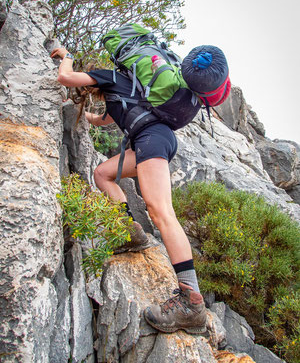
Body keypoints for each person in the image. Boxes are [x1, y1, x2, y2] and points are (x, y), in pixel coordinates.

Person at [50, 44, 230, 335]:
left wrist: (66, 58)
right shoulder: (124, 88)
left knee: (161, 213)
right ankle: (127, 229)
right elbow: (101, 119)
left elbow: (66, 79)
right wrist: (78, 115)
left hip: (151, 138)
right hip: (157, 138)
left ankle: (191, 303)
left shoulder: (107, 76)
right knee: (102, 173)